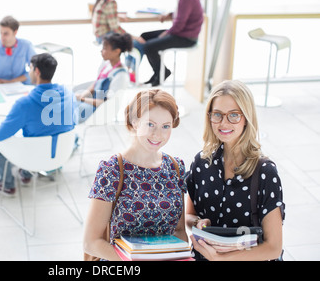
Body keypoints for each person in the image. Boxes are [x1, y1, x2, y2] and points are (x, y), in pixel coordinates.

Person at [186, 80, 285, 261]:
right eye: (217, 114)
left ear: (246, 118)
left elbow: (274, 247)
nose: (224, 123)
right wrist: (197, 222)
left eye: (233, 115)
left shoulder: (265, 172)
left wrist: (222, 259)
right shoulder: (201, 162)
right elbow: (189, 215)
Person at [83, 89, 188, 261]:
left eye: (166, 126)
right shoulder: (112, 170)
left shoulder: (175, 168)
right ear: (134, 122)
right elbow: (91, 242)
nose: (158, 134)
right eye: (150, 124)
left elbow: (179, 231)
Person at [0, 53, 78, 196]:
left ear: (36, 71)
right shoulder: (68, 94)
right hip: (61, 155)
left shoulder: (25, 103)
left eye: (30, 68)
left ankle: (7, 185)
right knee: (46, 132)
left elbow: (0, 135)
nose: (29, 71)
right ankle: (26, 174)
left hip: (33, 158)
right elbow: (73, 121)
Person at [135, 0, 204, 87]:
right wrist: (170, 14)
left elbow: (179, 25)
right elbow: (184, 14)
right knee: (144, 36)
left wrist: (165, 34)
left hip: (186, 37)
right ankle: (159, 73)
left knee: (148, 47)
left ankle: (161, 74)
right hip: (182, 32)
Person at [91, 0, 143, 82]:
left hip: (99, 35)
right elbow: (116, 29)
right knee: (138, 44)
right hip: (106, 36)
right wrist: (134, 37)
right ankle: (130, 72)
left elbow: (108, 17)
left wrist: (117, 16)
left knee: (132, 41)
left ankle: (129, 71)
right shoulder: (111, 1)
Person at [75, 33, 132, 124]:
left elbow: (107, 104)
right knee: (69, 101)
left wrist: (82, 99)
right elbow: (96, 83)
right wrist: (82, 95)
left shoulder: (121, 76)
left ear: (117, 51)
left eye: (105, 48)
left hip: (100, 110)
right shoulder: (107, 64)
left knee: (70, 109)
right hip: (92, 101)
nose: (101, 51)